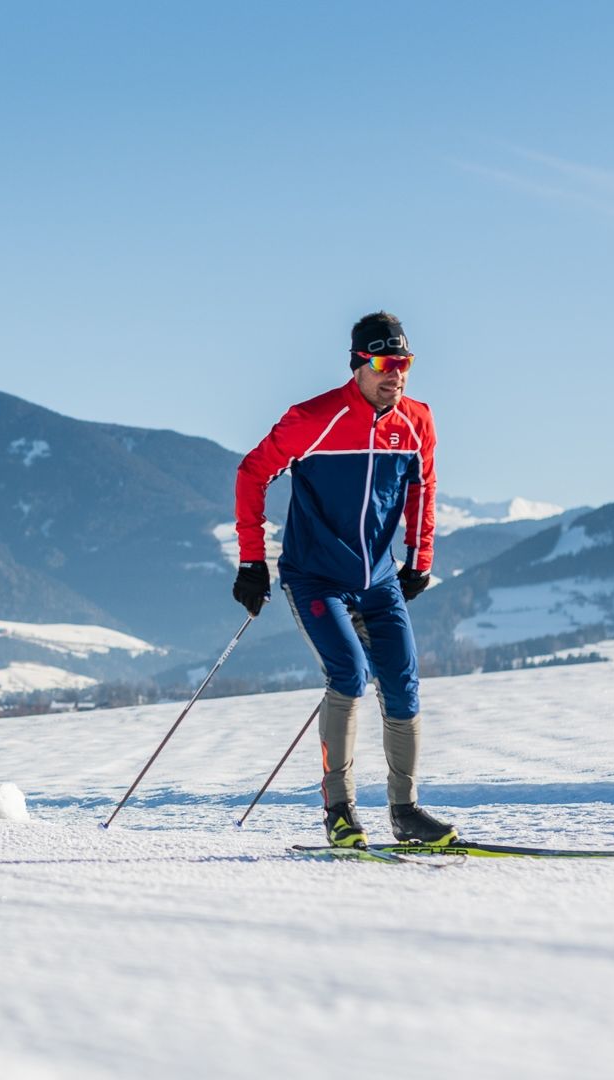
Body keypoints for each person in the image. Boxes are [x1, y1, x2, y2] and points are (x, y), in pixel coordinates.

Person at [231, 311, 456, 849]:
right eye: (384, 363)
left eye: (404, 363)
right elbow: (252, 473)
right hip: (315, 577)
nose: (395, 375)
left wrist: (418, 559)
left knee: (402, 683)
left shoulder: (418, 422)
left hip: (378, 579)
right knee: (350, 673)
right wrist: (251, 561)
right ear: (358, 364)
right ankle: (340, 812)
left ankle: (405, 812)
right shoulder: (313, 419)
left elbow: (423, 489)